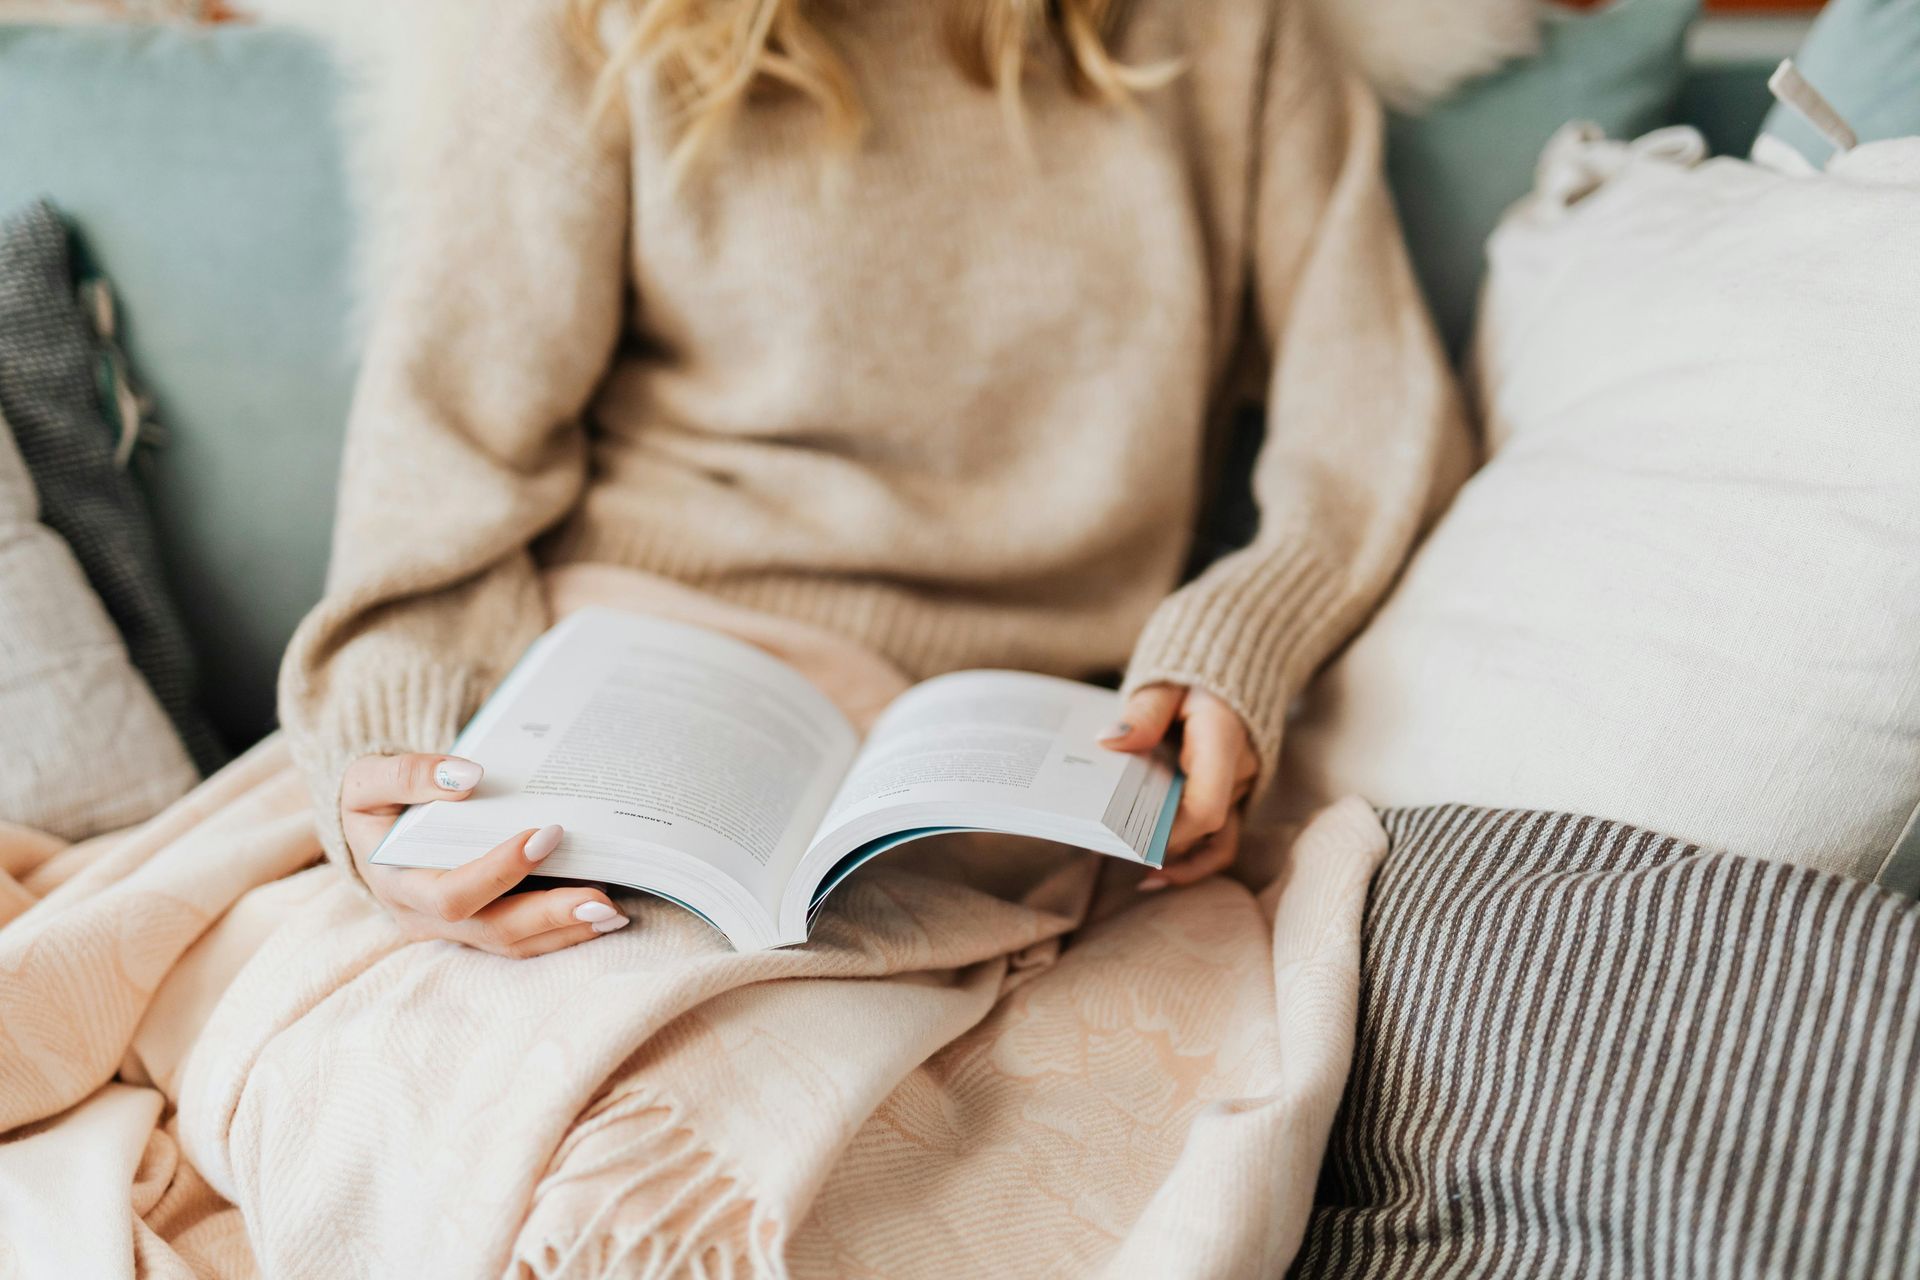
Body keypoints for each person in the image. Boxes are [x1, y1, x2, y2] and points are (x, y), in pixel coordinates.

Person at [279, 0, 1470, 956]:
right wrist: (400, 759)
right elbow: (440, 457)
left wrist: (1243, 637)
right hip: (635, 682)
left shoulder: (1229, 34)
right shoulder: (591, 23)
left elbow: (1377, 416)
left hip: (1003, 755)